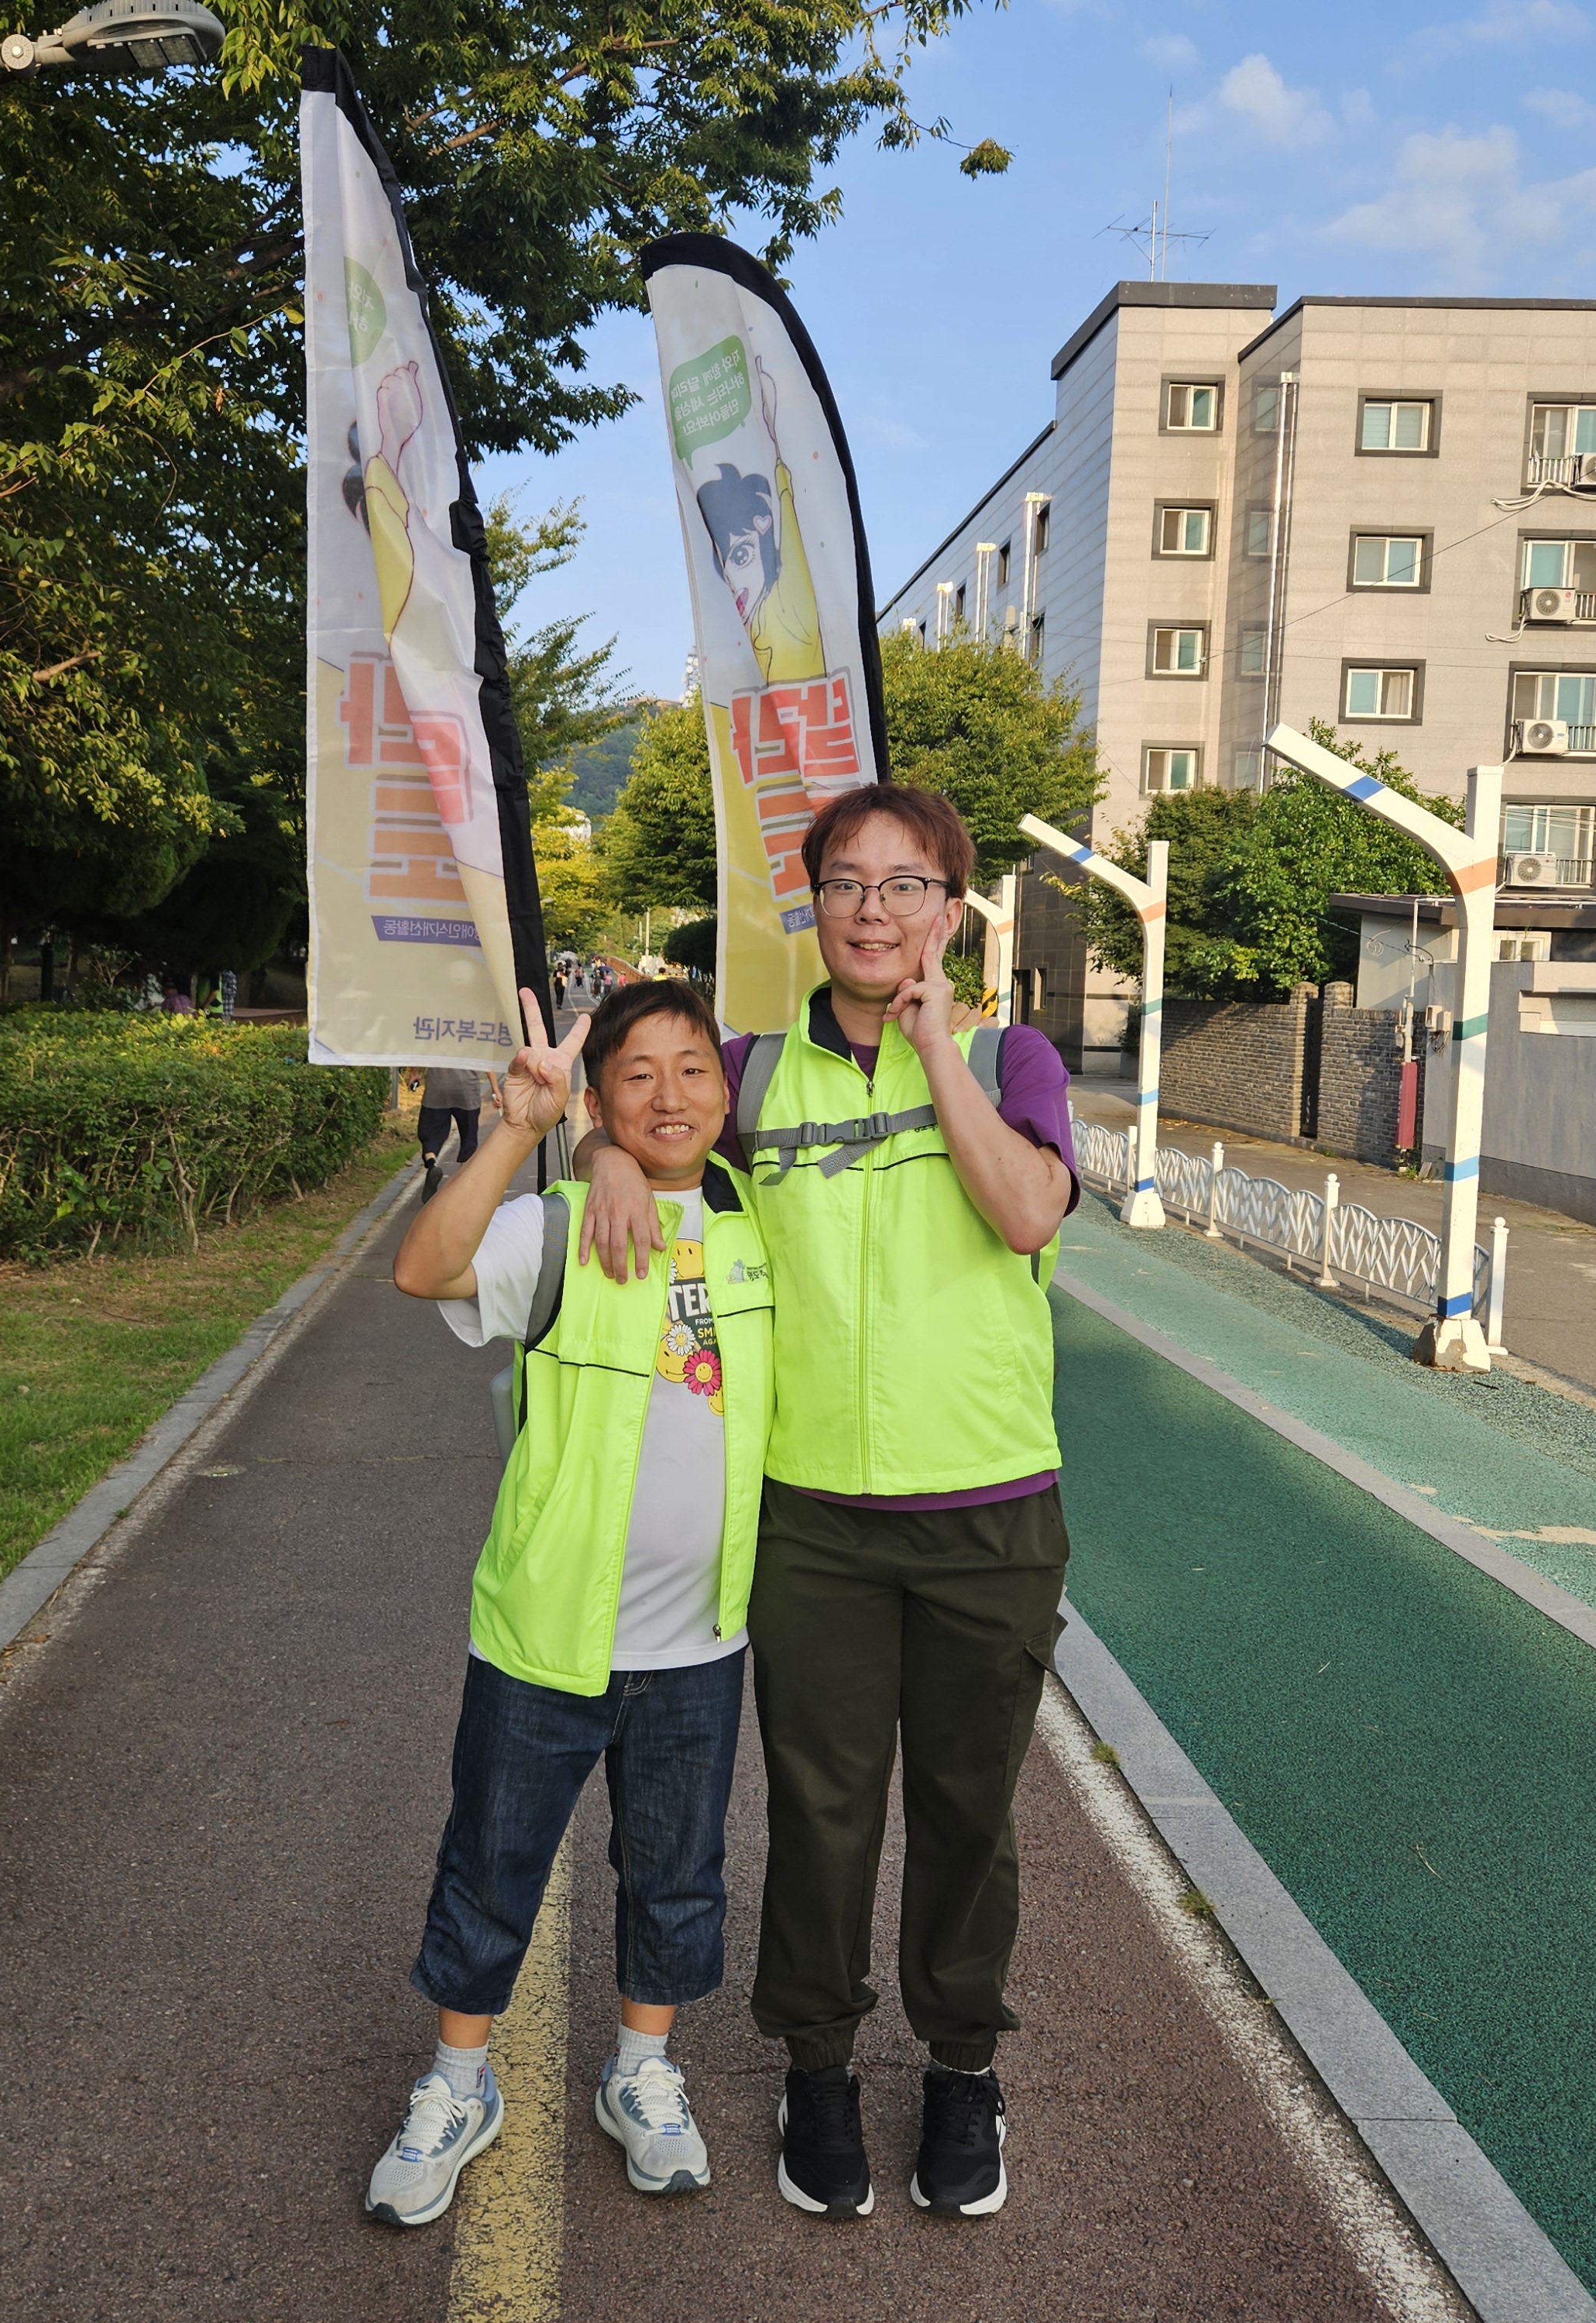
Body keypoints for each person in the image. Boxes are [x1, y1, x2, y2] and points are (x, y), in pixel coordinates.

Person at [579, 782, 1077, 2224]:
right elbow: (656, 1126)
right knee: (820, 1808)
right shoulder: (751, 1069)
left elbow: (1028, 1215)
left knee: (969, 1810)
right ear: (811, 907)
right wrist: (610, 1147)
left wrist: (940, 1057)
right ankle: (816, 2064)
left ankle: (965, 2067)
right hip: (811, 1517)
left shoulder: (1010, 1052)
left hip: (990, 1510)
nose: (874, 909)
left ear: (951, 910)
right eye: (847, 884)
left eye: (906, 884)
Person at [366, 980, 774, 2229]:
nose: (669, 1094)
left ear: (723, 1088)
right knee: (492, 1870)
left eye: (691, 1068)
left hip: (702, 1643)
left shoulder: (762, 1230)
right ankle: (456, 2084)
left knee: (677, 1877)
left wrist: (603, 1149)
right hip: (547, 1634)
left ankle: (642, 2072)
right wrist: (524, 1131)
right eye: (635, 1075)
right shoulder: (551, 1227)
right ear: (599, 1098)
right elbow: (421, 1269)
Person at [416, 1064, 486, 1198]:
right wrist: (496, 1089)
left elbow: (419, 1052)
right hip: (467, 1088)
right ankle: (463, 1185)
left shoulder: (435, 1041)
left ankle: (432, 1164)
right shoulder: (472, 1041)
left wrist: (415, 1073)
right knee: (469, 1137)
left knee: (431, 1133)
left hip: (437, 1087)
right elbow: (487, 1062)